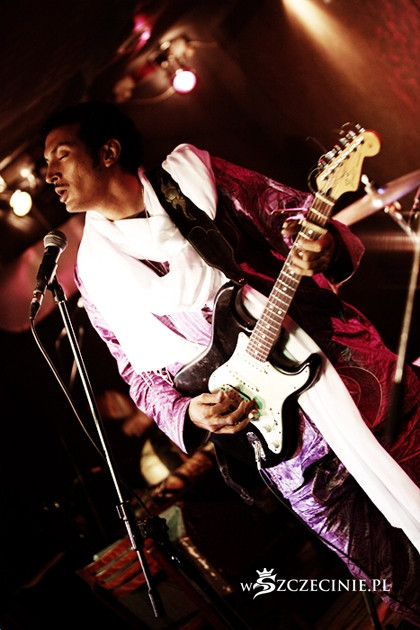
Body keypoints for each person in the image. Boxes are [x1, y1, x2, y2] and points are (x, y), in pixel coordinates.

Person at [42, 101, 420, 626]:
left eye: (61, 154)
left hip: (349, 376)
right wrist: (188, 412)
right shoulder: (93, 274)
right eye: (46, 163)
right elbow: (137, 374)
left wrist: (323, 244)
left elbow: (287, 213)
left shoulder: (194, 178)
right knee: (390, 573)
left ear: (108, 152)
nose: (49, 173)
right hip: (282, 446)